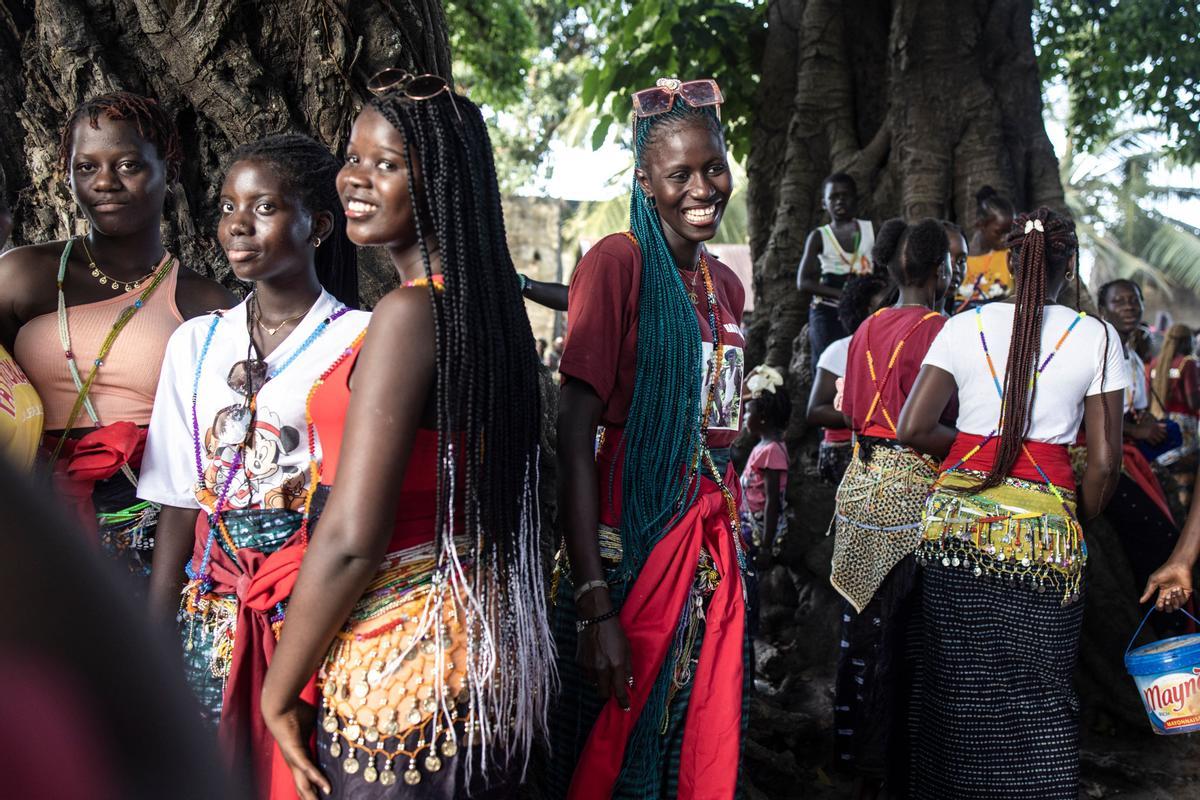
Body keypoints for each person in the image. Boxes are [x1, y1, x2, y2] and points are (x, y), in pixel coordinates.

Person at [261, 76, 554, 800]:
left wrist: (278, 690)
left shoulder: (406, 316)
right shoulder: (489, 314)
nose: (354, 179)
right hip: (486, 658)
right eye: (352, 157)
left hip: (402, 676)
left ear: (441, 182)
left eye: (386, 163)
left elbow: (354, 535)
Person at [137, 134, 367, 798]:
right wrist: (156, 638)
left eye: (264, 206)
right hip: (211, 603)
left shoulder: (361, 338)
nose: (239, 223)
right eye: (229, 205)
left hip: (316, 607)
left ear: (318, 225)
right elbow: (180, 496)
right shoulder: (196, 342)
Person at [548, 77, 748, 799]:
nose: (703, 187)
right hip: (626, 553)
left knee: (683, 742)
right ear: (645, 181)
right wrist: (594, 603)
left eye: (714, 167)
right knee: (605, 747)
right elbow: (572, 442)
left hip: (707, 553)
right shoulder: (617, 263)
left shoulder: (724, 284)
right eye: (679, 174)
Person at [897, 208, 1125, 799]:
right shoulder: (1096, 336)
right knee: (1040, 692)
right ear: (1067, 265)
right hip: (1043, 540)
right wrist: (1076, 510)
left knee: (956, 685)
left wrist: (982, 456)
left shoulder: (961, 326)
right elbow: (1103, 464)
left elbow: (913, 427)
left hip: (953, 531)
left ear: (1010, 262)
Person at [0, 91, 234, 594]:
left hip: (150, 519)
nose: (105, 182)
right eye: (86, 167)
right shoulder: (25, 274)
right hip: (30, 510)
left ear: (168, 171)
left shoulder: (202, 300)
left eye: (128, 164)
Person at [828, 217, 950, 798]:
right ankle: (893, 760)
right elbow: (943, 424)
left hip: (860, 486)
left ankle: (850, 747)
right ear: (939, 269)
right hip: (913, 493)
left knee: (860, 624)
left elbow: (852, 411)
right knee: (906, 635)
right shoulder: (944, 330)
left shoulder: (866, 326)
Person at [1095, 279, 1182, 610]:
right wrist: (1136, 431)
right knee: (1154, 532)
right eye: (1120, 302)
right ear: (1103, 310)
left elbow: (1135, 408)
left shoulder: (1131, 355)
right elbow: (1093, 417)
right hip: (1107, 456)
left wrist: (1144, 424)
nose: (1129, 306)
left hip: (1132, 453)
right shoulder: (1100, 350)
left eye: (1135, 300)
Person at [807, 273, 890, 485]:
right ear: (863, 310)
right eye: (882, 307)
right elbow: (815, 411)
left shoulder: (895, 349)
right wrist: (863, 413)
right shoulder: (840, 350)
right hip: (843, 452)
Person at [796, 173, 876, 361]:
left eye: (845, 195)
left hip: (863, 310)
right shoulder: (819, 236)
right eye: (833, 197)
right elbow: (803, 282)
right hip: (828, 311)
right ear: (824, 203)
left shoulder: (871, 230)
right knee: (827, 363)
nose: (840, 201)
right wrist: (845, 296)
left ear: (856, 199)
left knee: (863, 363)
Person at [741, 364, 790, 562]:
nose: (744, 418)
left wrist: (766, 547)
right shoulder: (763, 446)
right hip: (748, 522)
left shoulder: (772, 451)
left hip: (756, 530)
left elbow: (772, 501)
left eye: (747, 412)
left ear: (762, 417)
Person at [1148, 323, 1200, 512]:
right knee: (1187, 477)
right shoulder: (1188, 363)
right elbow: (1193, 401)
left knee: (1167, 475)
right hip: (1183, 429)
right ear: (1187, 341)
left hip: (1159, 424)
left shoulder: (1155, 363)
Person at [956, 185, 1015, 307]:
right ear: (981, 225)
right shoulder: (960, 259)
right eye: (1000, 232)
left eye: (1010, 231)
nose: (1007, 238)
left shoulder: (1010, 256)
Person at [940, 220, 968, 314]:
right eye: (945, 257)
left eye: (961, 260)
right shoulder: (900, 320)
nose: (955, 269)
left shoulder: (952, 324)